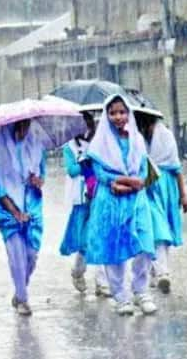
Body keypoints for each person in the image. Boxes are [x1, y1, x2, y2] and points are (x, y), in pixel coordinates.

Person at [84, 95, 157, 316]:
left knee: (144, 244)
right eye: (113, 112)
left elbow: (143, 171)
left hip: (136, 199)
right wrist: (124, 183)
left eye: (122, 112)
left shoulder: (137, 140)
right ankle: (120, 296)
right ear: (106, 115)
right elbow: (99, 173)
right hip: (110, 199)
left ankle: (141, 291)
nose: (118, 117)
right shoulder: (100, 142)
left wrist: (133, 183)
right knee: (114, 247)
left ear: (129, 113)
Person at [0, 119, 47, 316]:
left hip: (32, 207)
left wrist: (36, 181)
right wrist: (15, 212)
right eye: (18, 126)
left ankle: (20, 289)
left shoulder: (36, 147)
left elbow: (42, 177)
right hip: (7, 211)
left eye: (26, 125)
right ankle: (22, 299)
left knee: (31, 255)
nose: (22, 130)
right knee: (17, 256)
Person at [135, 111, 187, 294]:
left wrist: (183, 195)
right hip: (147, 189)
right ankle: (162, 272)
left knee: (163, 231)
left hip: (167, 189)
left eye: (148, 126)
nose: (147, 130)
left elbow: (177, 168)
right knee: (156, 228)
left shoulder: (166, 137)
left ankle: (156, 270)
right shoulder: (136, 139)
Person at [60, 111, 111, 297]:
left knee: (97, 237)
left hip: (97, 196)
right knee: (84, 242)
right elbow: (72, 170)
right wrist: (84, 162)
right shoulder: (69, 148)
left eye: (87, 125)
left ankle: (101, 283)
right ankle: (78, 271)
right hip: (80, 199)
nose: (85, 129)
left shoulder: (96, 145)